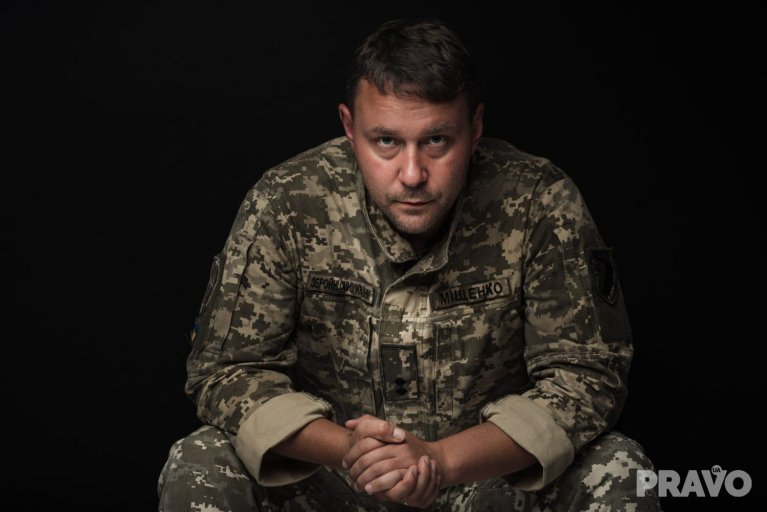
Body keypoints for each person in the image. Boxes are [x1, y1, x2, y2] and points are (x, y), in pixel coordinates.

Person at [158, 17, 661, 511]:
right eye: (387, 141)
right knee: (200, 459)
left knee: (617, 465)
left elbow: (587, 377)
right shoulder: (288, 202)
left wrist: (442, 461)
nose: (413, 173)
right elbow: (226, 372)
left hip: (486, 483)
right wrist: (350, 450)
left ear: (475, 127)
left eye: (436, 140)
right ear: (349, 127)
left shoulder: (538, 202)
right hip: (331, 484)